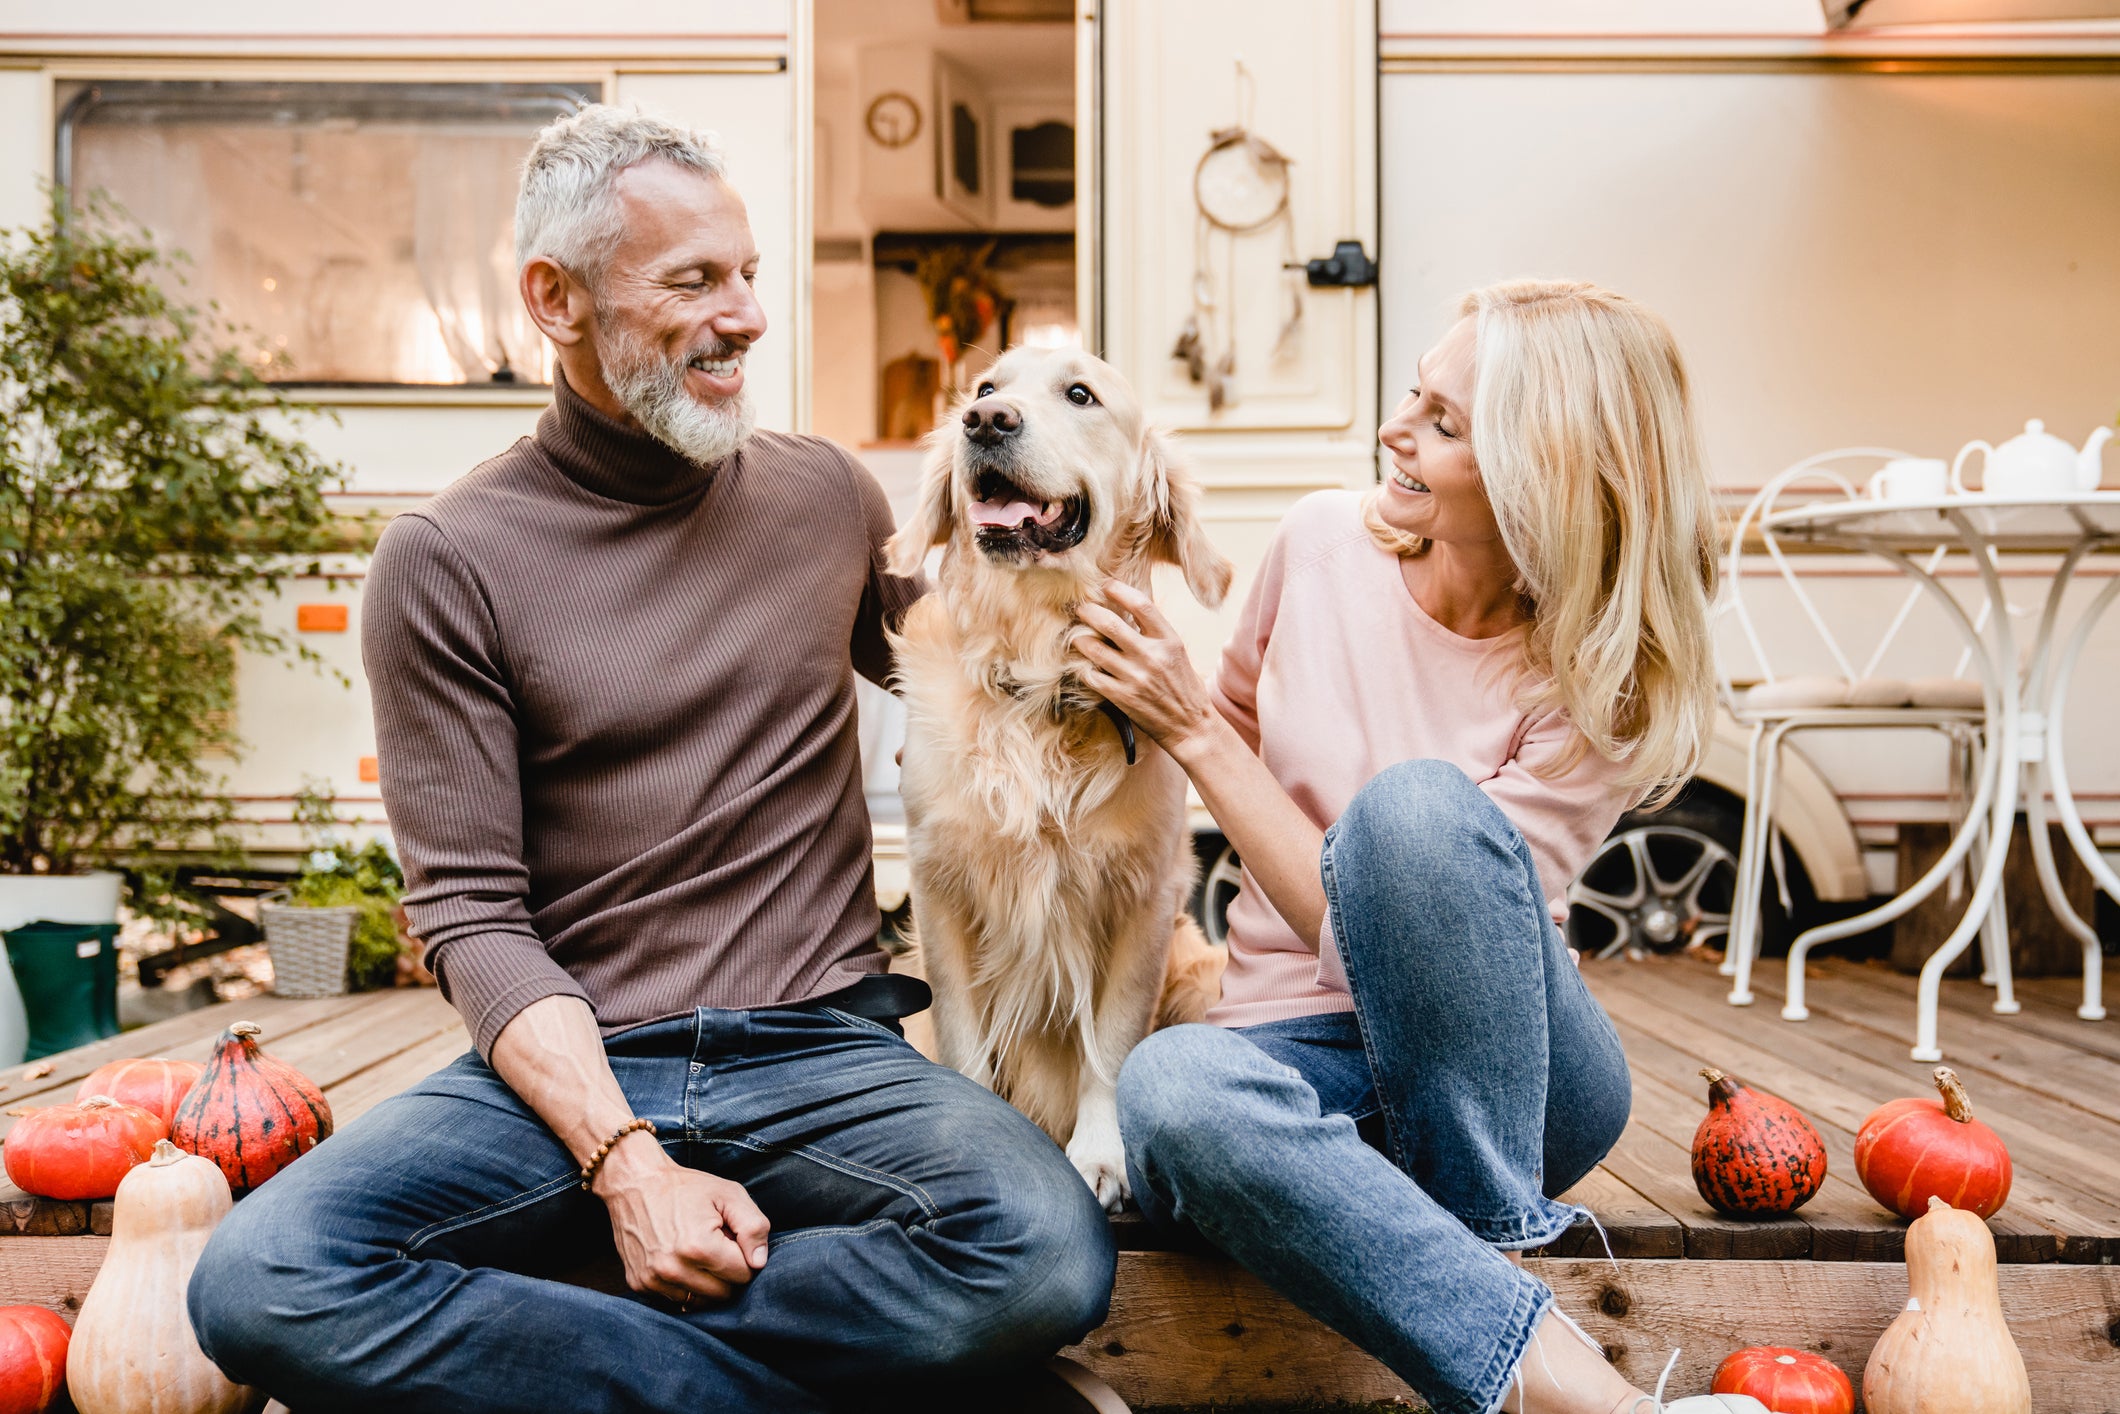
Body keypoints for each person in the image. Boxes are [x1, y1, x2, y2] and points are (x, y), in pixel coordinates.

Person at [186, 105, 1116, 1413]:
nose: (743, 316)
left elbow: (997, 674)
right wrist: (625, 1164)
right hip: (571, 1058)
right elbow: (471, 916)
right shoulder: (447, 561)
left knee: (1042, 1251)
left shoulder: (825, 496)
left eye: (747, 274)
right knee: (265, 1273)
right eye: (692, 282)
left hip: (822, 1051)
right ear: (554, 299)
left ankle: (583, 1343)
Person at [1076, 281, 1763, 1414]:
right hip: (1290, 1053)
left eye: (1443, 424)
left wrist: (1189, 725)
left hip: (1509, 1076)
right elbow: (1223, 756)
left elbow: (1380, 938)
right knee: (1172, 1087)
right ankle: (1570, 1379)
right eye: (1413, 395)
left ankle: (1483, 1284)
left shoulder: (1595, 676)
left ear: (1539, 476)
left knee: (1412, 816)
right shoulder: (1315, 543)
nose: (1394, 430)